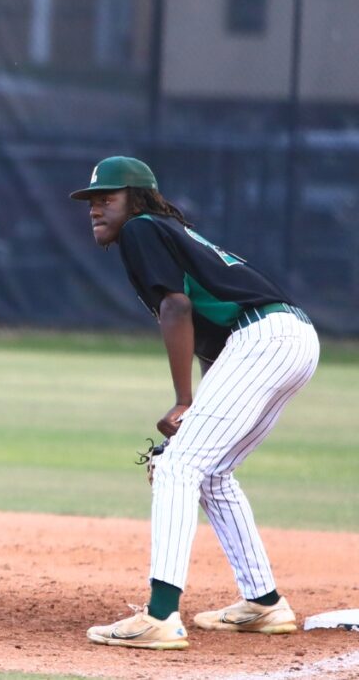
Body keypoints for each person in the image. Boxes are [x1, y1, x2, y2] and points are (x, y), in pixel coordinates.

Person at [70, 156, 319, 649]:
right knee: (210, 470)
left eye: (108, 197)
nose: (96, 208)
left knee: (176, 469)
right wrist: (198, 409)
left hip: (264, 339)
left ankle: (160, 615)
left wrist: (185, 400)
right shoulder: (165, 231)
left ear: (136, 199)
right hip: (288, 337)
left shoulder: (141, 229)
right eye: (92, 200)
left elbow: (177, 308)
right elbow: (216, 342)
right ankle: (264, 603)